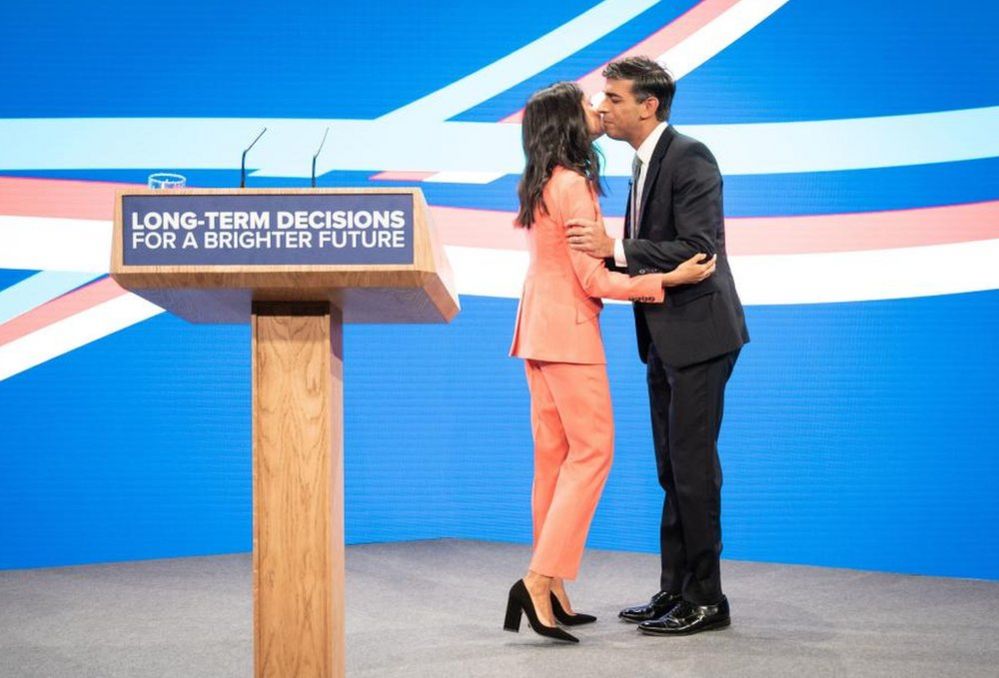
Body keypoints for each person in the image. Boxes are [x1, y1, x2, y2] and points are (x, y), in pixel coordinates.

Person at [503, 80, 717, 644]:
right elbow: (593, 276)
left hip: (536, 333)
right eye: (586, 105)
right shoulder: (574, 184)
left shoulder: (542, 179)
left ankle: (553, 590)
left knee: (553, 461)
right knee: (592, 453)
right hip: (570, 335)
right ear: (567, 124)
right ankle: (537, 579)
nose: (597, 108)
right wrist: (668, 279)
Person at [567, 56, 750, 636]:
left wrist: (614, 248)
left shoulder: (690, 155)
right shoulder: (643, 163)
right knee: (672, 470)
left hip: (700, 336)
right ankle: (675, 590)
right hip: (664, 336)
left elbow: (699, 246)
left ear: (649, 105)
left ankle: (708, 599)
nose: (603, 108)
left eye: (615, 98)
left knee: (694, 470)